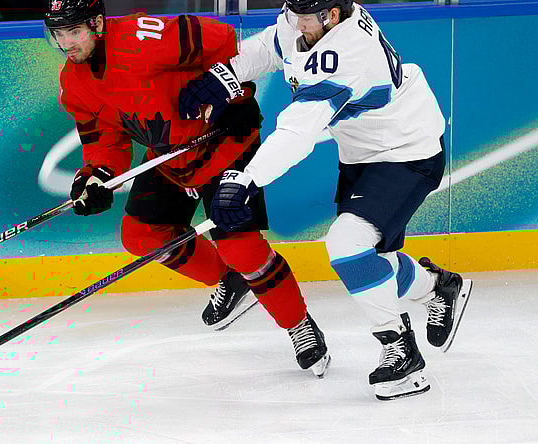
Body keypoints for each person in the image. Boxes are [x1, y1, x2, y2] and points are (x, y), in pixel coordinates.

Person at [179, 0, 473, 400]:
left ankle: (402, 355)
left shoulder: (345, 52)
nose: (295, 21)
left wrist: (246, 179)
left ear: (332, 16)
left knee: (347, 245)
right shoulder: (313, 18)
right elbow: (274, 45)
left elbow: (299, 131)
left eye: (304, 15)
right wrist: (227, 74)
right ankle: (437, 287)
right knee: (372, 261)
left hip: (406, 150)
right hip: (362, 153)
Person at [45, 0, 331, 377]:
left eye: (75, 31)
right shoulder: (74, 84)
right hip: (171, 157)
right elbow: (105, 142)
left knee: (240, 247)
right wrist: (95, 177)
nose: (67, 43)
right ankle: (230, 280)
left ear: (97, 23)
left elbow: (221, 37)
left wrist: (233, 93)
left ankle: (298, 324)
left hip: (224, 144)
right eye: (59, 34)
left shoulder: (139, 37)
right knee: (140, 235)